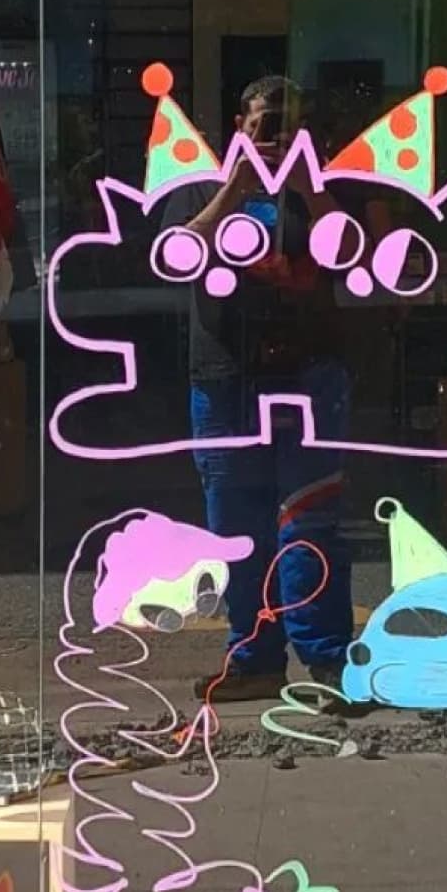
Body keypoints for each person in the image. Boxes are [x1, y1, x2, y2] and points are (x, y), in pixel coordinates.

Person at [165, 75, 356, 698]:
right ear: (237, 130)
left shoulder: (321, 183)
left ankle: (326, 661)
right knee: (235, 528)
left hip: (310, 372)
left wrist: (311, 189)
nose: (273, 138)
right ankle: (254, 660)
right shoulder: (200, 182)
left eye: (286, 127)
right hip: (224, 376)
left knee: (310, 521)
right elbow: (175, 257)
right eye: (261, 126)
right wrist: (233, 190)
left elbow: (353, 256)